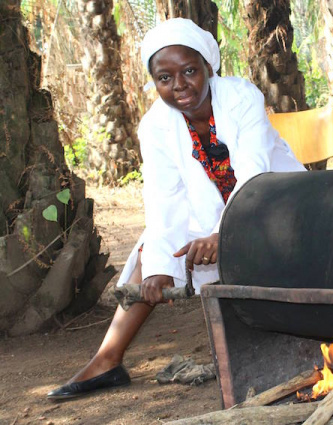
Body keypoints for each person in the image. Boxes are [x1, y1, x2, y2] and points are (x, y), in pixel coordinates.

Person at [47, 18, 306, 400]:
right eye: (164, 78)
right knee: (148, 253)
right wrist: (158, 271)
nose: (179, 85)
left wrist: (225, 234)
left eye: (188, 71)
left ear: (207, 67)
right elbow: (164, 199)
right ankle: (108, 360)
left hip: (273, 204)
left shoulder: (240, 97)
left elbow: (254, 173)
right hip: (212, 216)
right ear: (155, 83)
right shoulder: (155, 126)